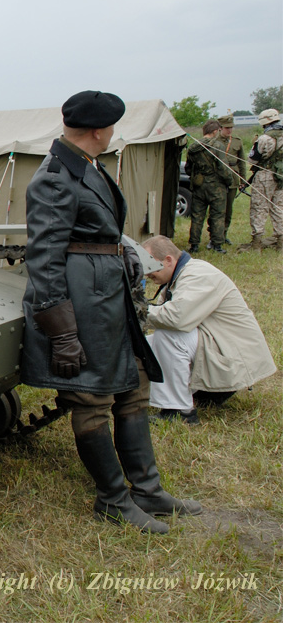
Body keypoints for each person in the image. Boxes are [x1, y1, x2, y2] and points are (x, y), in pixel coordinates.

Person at [21, 90, 201, 535]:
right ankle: (113, 500)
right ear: (99, 131)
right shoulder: (55, 177)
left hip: (108, 295)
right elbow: (43, 259)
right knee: (92, 397)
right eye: (111, 127)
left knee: (134, 386)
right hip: (82, 301)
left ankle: (148, 490)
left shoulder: (87, 165)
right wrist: (62, 332)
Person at [142, 235, 276, 423]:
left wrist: (135, 310)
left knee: (168, 336)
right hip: (220, 351)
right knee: (146, 344)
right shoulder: (179, 276)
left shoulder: (198, 274)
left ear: (168, 260)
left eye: (150, 267)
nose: (147, 275)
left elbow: (176, 318)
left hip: (232, 362)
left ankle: (180, 411)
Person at [238, 108, 283, 251]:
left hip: (265, 176)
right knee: (279, 208)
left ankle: (256, 243)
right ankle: (281, 243)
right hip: (280, 176)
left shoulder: (264, 139)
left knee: (259, 208)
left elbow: (252, 159)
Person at [185, 119, 230, 254]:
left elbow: (188, 168)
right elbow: (223, 168)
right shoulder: (217, 146)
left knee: (197, 216)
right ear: (215, 131)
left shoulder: (193, 147)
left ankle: (194, 245)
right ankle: (217, 244)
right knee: (217, 215)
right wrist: (228, 181)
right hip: (216, 187)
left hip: (199, 185)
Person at [214, 115, 247, 244]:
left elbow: (242, 162)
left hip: (233, 178)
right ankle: (215, 235)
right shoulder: (214, 141)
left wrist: (243, 180)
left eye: (231, 127)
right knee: (217, 209)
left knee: (228, 210)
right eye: (227, 128)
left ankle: (224, 234)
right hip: (218, 179)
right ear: (220, 128)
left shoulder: (237, 141)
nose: (230, 130)